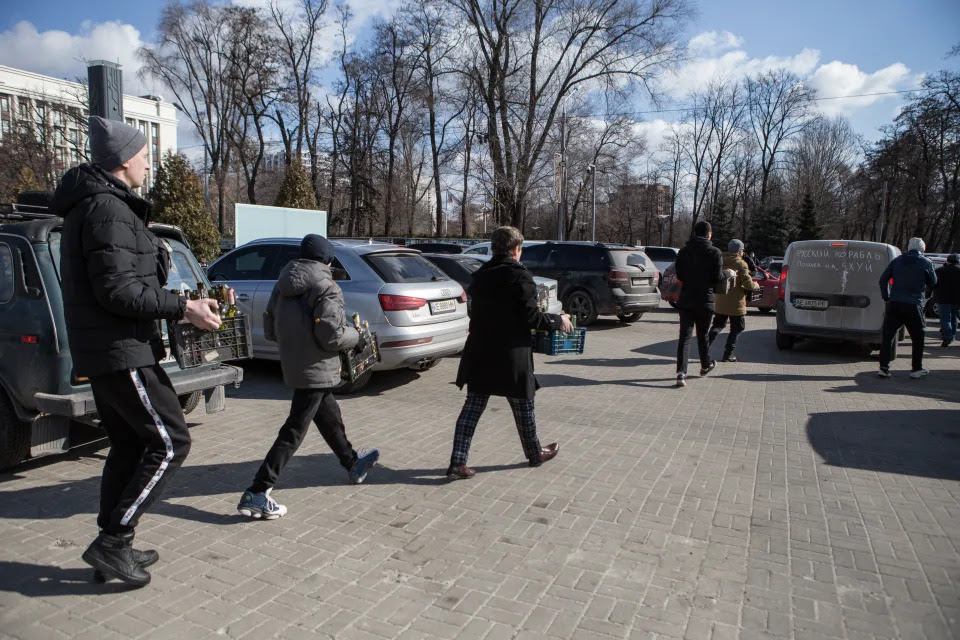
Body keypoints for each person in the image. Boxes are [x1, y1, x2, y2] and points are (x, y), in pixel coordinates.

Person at [53, 116, 223, 587]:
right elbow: (119, 292)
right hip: (120, 349)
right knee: (171, 441)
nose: (149, 166)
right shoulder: (106, 208)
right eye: (146, 157)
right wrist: (183, 307)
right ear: (125, 160)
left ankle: (115, 545)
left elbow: (124, 281)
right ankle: (112, 542)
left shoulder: (101, 205)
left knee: (129, 445)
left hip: (114, 349)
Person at [237, 234, 379, 519]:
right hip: (317, 367)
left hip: (294, 364)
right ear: (327, 260)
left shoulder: (281, 284)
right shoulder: (327, 287)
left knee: (329, 415)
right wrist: (358, 338)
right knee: (293, 430)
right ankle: (257, 491)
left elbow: (270, 330)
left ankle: (352, 463)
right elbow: (332, 336)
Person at [448, 226, 573, 479]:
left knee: (472, 409)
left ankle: (457, 462)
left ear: (494, 248)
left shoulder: (480, 275)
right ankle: (535, 453)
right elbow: (531, 317)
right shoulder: (520, 276)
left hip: (481, 351)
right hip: (511, 354)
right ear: (516, 249)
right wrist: (558, 320)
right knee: (523, 406)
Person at [674, 220, 724, 388]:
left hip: (686, 300)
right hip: (705, 301)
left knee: (685, 337)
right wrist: (728, 274)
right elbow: (717, 278)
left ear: (695, 233)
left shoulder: (683, 252)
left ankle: (681, 373)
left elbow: (679, 275)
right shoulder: (715, 252)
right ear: (709, 234)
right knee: (702, 336)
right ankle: (705, 365)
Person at [878, 237, 937, 378]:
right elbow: (933, 282)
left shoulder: (897, 261)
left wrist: (886, 297)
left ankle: (883, 367)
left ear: (909, 247)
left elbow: (883, 279)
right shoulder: (926, 262)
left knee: (888, 337)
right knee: (918, 337)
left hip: (895, 303)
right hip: (913, 304)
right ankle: (916, 369)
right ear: (922, 249)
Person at [708, 239, 760, 362]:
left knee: (717, 325)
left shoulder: (720, 260)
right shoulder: (740, 264)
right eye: (742, 250)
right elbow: (747, 284)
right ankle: (728, 353)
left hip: (720, 300)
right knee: (738, 327)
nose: (743, 252)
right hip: (736, 303)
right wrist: (756, 285)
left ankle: (704, 347)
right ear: (739, 251)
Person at [933, 253, 960, 347]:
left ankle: (947, 337)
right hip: (957, 299)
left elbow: (933, 283)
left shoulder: (940, 271)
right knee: (954, 318)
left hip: (943, 297)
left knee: (945, 318)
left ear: (947, 261)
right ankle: (952, 336)